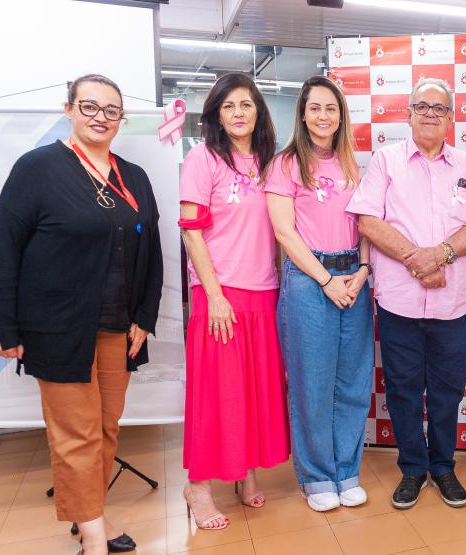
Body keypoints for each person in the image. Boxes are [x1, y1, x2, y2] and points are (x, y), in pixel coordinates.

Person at [0, 74, 163, 554]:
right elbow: (2, 250)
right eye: (89, 106)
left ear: (121, 118)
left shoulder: (134, 177)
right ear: (69, 110)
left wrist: (145, 317)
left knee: (105, 429)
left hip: (119, 328)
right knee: (76, 435)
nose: (100, 117)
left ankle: (90, 516)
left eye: (111, 110)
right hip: (58, 329)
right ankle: (94, 537)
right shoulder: (37, 168)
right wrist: (4, 324)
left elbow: (152, 253)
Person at [346, 78, 466, 510]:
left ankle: (443, 466)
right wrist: (418, 261)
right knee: (403, 390)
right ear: (409, 114)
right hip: (399, 302)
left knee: (448, 391)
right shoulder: (386, 161)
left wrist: (440, 255)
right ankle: (412, 468)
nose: (430, 113)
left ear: (451, 118)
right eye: (422, 106)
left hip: (452, 304)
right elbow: (367, 221)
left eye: (439, 108)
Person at [178, 73, 289, 529]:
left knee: (253, 392)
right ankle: (198, 487)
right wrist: (215, 295)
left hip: (264, 291)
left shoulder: (270, 162)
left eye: (246, 104)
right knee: (216, 395)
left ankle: (245, 472)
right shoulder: (202, 159)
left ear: (259, 110)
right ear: (216, 116)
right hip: (219, 293)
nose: (239, 113)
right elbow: (191, 232)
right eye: (229, 106)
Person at [266, 76, 373, 512]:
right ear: (303, 114)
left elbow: (365, 223)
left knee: (352, 382)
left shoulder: (352, 163)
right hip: (310, 280)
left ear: (341, 116)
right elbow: (284, 232)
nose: (323, 116)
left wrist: (363, 270)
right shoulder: (285, 164)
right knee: (312, 383)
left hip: (353, 277)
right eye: (315, 108)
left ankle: (346, 471)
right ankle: (316, 476)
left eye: (331, 108)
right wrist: (326, 281)